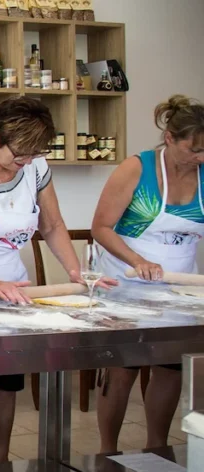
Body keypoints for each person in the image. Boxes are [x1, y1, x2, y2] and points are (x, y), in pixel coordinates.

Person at [0, 96, 117, 466]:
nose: (26, 163)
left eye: (33, 155)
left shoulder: (34, 163)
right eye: (19, 156)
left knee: (5, 378)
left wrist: (77, 271)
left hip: (12, 286)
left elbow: (52, 225)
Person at [92, 95, 204, 453]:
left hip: (180, 284)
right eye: (195, 149)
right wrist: (137, 260)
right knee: (121, 367)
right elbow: (102, 227)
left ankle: (157, 446)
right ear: (170, 137)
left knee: (169, 367)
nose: (200, 158)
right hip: (125, 280)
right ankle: (108, 448)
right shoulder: (136, 168)